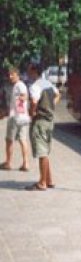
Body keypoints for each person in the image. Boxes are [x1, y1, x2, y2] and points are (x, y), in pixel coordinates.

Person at [26, 63, 60, 191]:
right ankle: (49, 180)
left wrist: (32, 112)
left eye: (29, 70)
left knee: (41, 152)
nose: (28, 72)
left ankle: (42, 183)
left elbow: (34, 101)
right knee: (45, 150)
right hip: (49, 121)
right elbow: (58, 95)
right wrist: (51, 106)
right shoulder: (48, 83)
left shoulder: (35, 86)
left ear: (34, 71)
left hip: (40, 121)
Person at [0, 67, 30, 171]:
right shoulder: (19, 85)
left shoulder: (19, 85)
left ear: (18, 75)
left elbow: (24, 96)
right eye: (9, 75)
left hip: (15, 118)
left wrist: (21, 99)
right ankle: (25, 163)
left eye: (12, 75)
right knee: (23, 140)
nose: (10, 77)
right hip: (23, 117)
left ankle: (8, 163)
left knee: (9, 140)